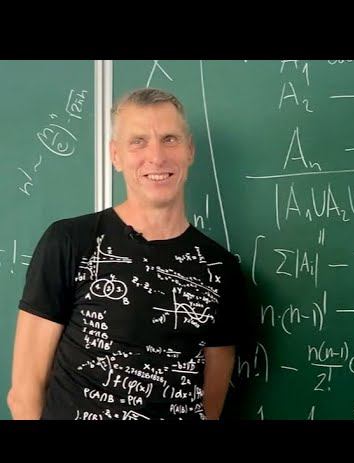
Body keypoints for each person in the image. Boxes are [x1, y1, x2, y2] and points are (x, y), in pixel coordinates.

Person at [7, 88, 243, 420]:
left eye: (170, 139)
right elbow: (24, 394)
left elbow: (210, 406)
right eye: (138, 141)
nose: (156, 157)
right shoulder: (70, 242)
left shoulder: (221, 268)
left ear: (189, 150)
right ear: (115, 155)